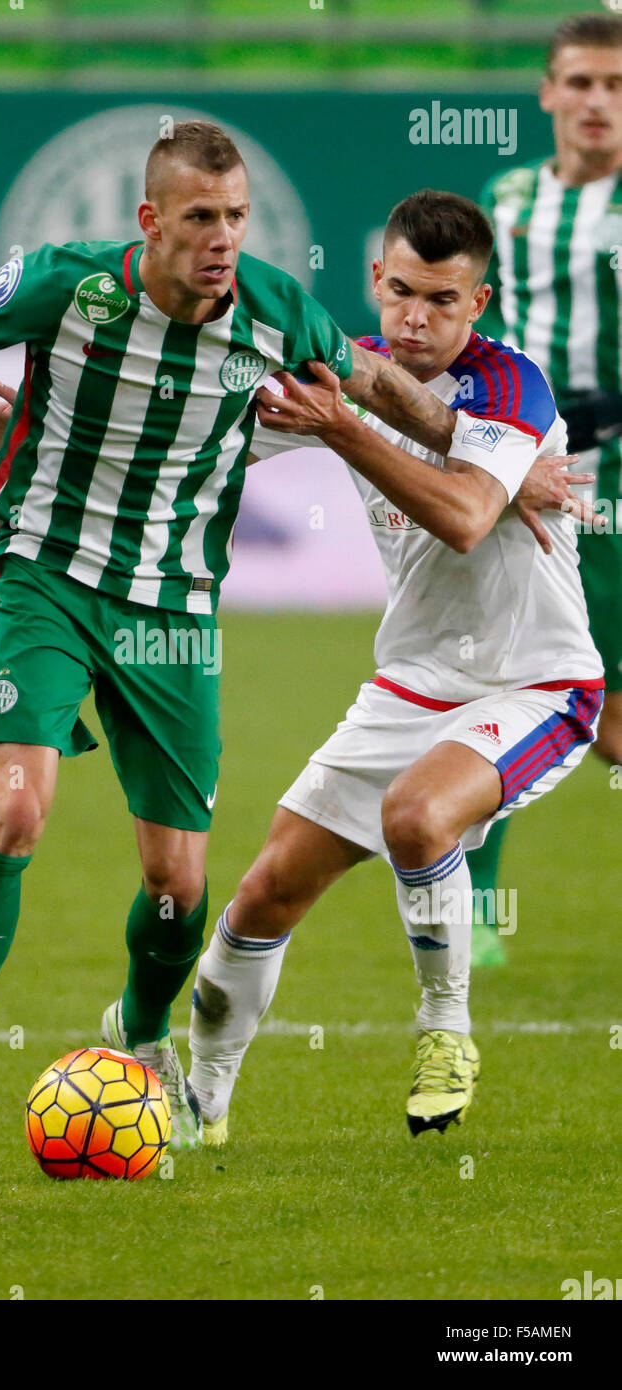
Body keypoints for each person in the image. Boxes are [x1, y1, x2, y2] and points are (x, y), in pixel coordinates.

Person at [0, 123, 466, 1163]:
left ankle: (143, 1030)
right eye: (200, 217)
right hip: (47, 578)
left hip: (172, 615)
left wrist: (496, 464)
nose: (222, 239)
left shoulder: (274, 310)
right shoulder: (67, 287)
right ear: (149, 220)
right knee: (16, 809)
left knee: (175, 887)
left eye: (236, 217)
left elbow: (388, 392)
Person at [180, 189, 603, 1142]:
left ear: (478, 306)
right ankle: (199, 1097)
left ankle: (446, 1027)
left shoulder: (509, 388)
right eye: (402, 292)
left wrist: (343, 429)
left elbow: (461, 520)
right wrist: (41, 433)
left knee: (417, 816)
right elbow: (199, 439)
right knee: (260, 898)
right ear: (375, 280)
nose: (417, 318)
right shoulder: (345, 375)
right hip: (410, 687)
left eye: (442, 302)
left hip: (534, 682)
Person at [472, 11, 622, 966]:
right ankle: (477, 910)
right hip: (525, 486)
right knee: (492, 682)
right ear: (548, 92)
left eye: (615, 85)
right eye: (581, 83)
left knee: (607, 717)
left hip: (617, 493)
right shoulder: (509, 198)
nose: (598, 102)